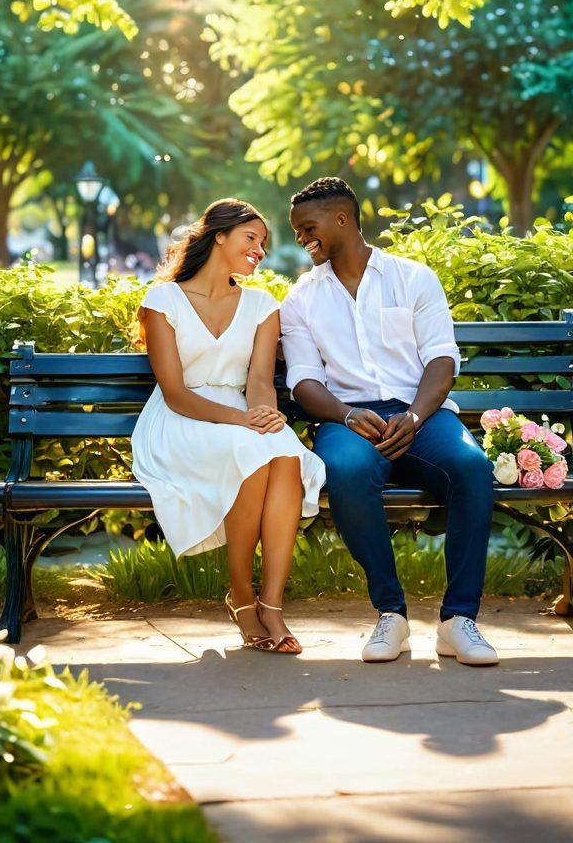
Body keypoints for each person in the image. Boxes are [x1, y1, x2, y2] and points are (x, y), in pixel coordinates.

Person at [280, 177, 498, 666]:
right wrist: (346, 413)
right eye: (297, 231)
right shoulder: (300, 299)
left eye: (308, 227)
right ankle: (391, 614)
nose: (301, 239)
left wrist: (415, 415)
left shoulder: (413, 278)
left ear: (342, 219)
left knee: (471, 467)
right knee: (347, 470)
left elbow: (441, 359)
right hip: (346, 419)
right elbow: (304, 381)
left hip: (421, 414)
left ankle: (459, 620)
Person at [132, 199, 325, 654]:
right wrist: (243, 422)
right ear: (218, 236)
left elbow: (258, 382)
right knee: (251, 453)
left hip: (239, 414)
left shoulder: (261, 305)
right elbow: (175, 392)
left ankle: (271, 604)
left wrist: (265, 415)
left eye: (264, 243)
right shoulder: (163, 300)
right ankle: (240, 595)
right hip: (180, 420)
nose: (260, 250)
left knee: (286, 454)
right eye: (250, 238)